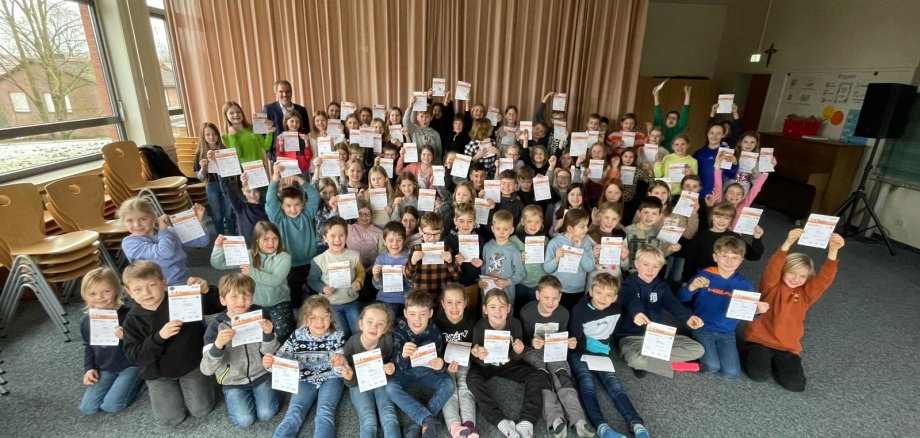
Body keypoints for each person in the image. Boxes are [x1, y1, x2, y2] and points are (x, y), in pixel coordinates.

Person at [744, 228, 844, 392]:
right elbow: (772, 268)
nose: (796, 279)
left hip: (787, 347)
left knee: (796, 385)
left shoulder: (806, 294)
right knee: (758, 375)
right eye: (792, 273)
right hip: (760, 340)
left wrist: (833, 251)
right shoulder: (771, 286)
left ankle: (778, 362)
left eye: (803, 276)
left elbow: (824, 280)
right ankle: (753, 354)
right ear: (784, 270)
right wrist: (787, 243)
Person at [121, 261, 219, 425]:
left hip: (191, 364)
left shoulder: (181, 298)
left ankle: (202, 382)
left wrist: (207, 290)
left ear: (163, 281)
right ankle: (153, 388)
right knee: (170, 419)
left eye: (152, 285)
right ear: (129, 292)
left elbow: (218, 305)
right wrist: (159, 337)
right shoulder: (131, 321)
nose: (146, 292)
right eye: (137, 289)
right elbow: (135, 356)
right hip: (159, 373)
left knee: (201, 410)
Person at [568, 272, 649, 438]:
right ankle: (602, 427)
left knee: (615, 385)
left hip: (602, 351)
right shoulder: (579, 309)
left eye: (608, 295)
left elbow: (617, 327)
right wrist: (596, 346)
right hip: (579, 351)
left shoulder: (617, 309)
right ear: (590, 291)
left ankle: (637, 424)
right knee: (587, 384)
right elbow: (576, 337)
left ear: (615, 297)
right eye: (598, 292)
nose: (602, 298)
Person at [678, 236, 767, 379]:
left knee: (731, 373)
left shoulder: (744, 284)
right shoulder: (705, 275)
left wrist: (757, 310)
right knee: (712, 366)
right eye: (724, 256)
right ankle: (689, 345)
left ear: (741, 260)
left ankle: (703, 350)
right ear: (715, 257)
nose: (729, 261)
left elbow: (747, 313)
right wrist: (692, 287)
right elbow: (681, 298)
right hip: (702, 327)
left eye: (734, 258)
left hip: (727, 332)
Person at [468, 289, 552, 438]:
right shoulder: (479, 327)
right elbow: (476, 358)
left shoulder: (514, 324)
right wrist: (478, 353)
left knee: (539, 375)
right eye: (493, 307)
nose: (498, 311)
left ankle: (526, 422)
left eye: (502, 307)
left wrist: (519, 350)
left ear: (508, 308)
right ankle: (500, 421)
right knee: (472, 379)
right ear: (485, 309)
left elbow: (516, 356)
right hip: (486, 366)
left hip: (508, 363)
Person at [200, 274, 279, 428]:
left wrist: (268, 334)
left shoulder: (261, 315)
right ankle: (234, 395)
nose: (242, 301)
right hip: (233, 381)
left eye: (247, 295)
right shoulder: (215, 327)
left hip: (261, 374)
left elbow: (270, 352)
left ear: (252, 296)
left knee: (267, 414)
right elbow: (206, 369)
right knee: (244, 421)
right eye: (234, 296)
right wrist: (218, 345)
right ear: (223, 300)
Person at [519, 275, 593, 438]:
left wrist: (570, 343)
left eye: (555, 298)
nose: (550, 302)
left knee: (561, 374)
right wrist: (532, 341)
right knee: (542, 376)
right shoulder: (526, 312)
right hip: (534, 350)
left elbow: (563, 336)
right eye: (546, 297)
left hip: (554, 350)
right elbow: (522, 338)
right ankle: (556, 419)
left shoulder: (563, 313)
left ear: (560, 297)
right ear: (538, 295)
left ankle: (578, 419)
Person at [614, 246, 705, 378]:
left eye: (655, 266)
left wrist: (688, 317)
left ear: (660, 267)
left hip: (657, 336)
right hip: (630, 337)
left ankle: (648, 362)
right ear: (636, 264)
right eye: (646, 264)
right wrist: (637, 313)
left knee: (698, 349)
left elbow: (672, 303)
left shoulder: (662, 286)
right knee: (635, 359)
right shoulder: (628, 284)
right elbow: (631, 299)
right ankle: (681, 365)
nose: (650, 269)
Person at [264, 295, 347, 438]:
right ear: (305, 319)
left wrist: (341, 362)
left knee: (325, 412)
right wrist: (270, 364)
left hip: (331, 376)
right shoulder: (297, 335)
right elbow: (281, 358)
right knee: (294, 412)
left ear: (331, 317)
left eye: (324, 316)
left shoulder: (338, 335)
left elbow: (341, 369)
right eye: (313, 317)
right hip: (304, 377)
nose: (320, 322)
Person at [211, 220, 294, 343]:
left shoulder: (284, 257)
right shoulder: (247, 255)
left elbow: (275, 280)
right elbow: (218, 264)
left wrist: (251, 272)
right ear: (256, 240)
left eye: (275, 238)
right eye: (265, 239)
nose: (271, 243)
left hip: (278, 302)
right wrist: (218, 248)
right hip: (252, 303)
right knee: (252, 334)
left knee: (282, 332)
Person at [78, 267, 145, 415]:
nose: (100, 297)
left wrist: (126, 336)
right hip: (106, 367)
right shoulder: (86, 320)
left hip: (131, 365)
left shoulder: (130, 315)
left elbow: (143, 341)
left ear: (116, 289)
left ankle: (143, 381)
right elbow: (88, 346)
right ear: (85, 295)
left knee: (112, 406)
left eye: (106, 291)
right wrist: (89, 368)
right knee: (87, 408)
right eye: (93, 293)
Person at [387, 291, 454, 438]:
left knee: (449, 384)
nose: (417, 319)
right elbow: (395, 365)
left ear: (430, 313)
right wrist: (403, 355)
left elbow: (440, 357)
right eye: (412, 314)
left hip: (426, 369)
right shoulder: (398, 329)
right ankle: (427, 419)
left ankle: (418, 424)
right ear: (405, 313)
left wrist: (441, 364)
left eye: (422, 314)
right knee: (389, 387)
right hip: (405, 370)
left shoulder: (434, 330)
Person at [340, 303, 402, 438]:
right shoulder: (351, 343)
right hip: (358, 383)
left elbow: (394, 359)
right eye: (369, 322)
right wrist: (349, 376)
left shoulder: (387, 340)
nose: (374, 327)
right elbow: (349, 382)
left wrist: (392, 365)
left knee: (389, 416)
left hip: (381, 378)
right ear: (361, 324)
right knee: (368, 419)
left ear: (386, 328)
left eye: (380, 324)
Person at [119, 197, 210, 286]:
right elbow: (165, 252)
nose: (136, 224)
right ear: (123, 222)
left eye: (143, 219)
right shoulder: (129, 243)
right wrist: (163, 229)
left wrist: (197, 223)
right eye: (129, 221)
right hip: (156, 288)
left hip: (184, 279)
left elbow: (201, 242)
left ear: (153, 217)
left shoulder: (168, 231)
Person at [266, 163, 321, 308]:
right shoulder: (279, 219)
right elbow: (270, 202)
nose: (293, 209)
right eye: (288, 205)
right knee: (294, 295)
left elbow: (314, 195)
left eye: (297, 204)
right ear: (282, 206)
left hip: (310, 261)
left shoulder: (307, 214)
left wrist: (298, 179)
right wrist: (275, 178)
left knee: (314, 292)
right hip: (290, 264)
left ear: (303, 204)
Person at [434, 283, 481, 438]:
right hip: (444, 362)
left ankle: (469, 425)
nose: (454, 307)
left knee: (465, 386)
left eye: (459, 302)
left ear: (465, 302)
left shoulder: (472, 319)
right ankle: (455, 427)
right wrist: (442, 363)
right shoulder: (435, 321)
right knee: (449, 388)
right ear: (442, 304)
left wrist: (475, 351)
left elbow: (476, 346)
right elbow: (433, 349)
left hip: (464, 359)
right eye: (449, 302)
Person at [307, 216, 364, 339]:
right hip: (330, 304)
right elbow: (312, 280)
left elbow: (361, 272)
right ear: (325, 238)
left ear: (346, 236)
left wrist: (359, 281)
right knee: (341, 333)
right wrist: (322, 288)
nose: (337, 239)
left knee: (358, 331)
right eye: (332, 236)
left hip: (351, 301)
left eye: (341, 235)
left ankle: (357, 353)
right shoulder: (319, 260)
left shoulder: (354, 255)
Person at [681, 202, 764, 283]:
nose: (722, 221)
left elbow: (754, 256)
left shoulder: (735, 237)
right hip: (702, 279)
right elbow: (690, 260)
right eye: (718, 216)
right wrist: (686, 279)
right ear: (712, 217)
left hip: (724, 280)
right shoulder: (700, 236)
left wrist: (757, 238)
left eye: (726, 218)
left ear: (731, 220)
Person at [544, 209, 596, 309]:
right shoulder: (554, 243)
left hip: (578, 290)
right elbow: (547, 268)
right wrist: (556, 259)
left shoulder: (586, 242)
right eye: (582, 226)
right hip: (557, 290)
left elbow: (589, 267)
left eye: (586, 226)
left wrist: (579, 248)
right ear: (570, 228)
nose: (586, 229)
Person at [195, 121, 237, 235]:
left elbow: (233, 172)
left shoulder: (225, 149)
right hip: (212, 185)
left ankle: (234, 237)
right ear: (203, 136)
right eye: (208, 134)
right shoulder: (200, 153)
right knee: (217, 214)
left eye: (214, 134)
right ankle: (221, 237)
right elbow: (200, 177)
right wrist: (203, 169)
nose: (212, 137)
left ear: (218, 134)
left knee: (229, 213)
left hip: (226, 184)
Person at [405, 212, 460, 297]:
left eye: (437, 234)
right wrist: (412, 262)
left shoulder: (447, 249)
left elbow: (457, 276)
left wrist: (450, 262)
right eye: (427, 234)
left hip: (442, 296)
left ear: (442, 231)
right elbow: (408, 275)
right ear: (420, 231)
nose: (432, 238)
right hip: (421, 297)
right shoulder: (415, 249)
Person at [480, 210, 526, 305]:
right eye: (498, 228)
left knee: (507, 318)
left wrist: (508, 282)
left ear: (512, 230)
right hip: (488, 295)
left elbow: (521, 273)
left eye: (505, 229)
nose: (501, 232)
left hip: (507, 295)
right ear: (492, 229)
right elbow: (483, 268)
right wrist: (480, 282)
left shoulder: (514, 250)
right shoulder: (487, 246)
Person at [446, 203, 487, 308]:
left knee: (471, 309)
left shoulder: (479, 239)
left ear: (474, 222)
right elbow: (445, 263)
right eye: (461, 221)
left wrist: (481, 263)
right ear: (455, 221)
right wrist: (455, 263)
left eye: (470, 221)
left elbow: (483, 259)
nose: (466, 225)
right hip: (454, 285)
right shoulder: (449, 239)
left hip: (472, 284)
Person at [263, 79, 310, 159]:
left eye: (287, 91)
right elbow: (263, 134)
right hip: (278, 156)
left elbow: (307, 131)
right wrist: (270, 154)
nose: (284, 94)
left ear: (291, 93)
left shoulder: (302, 110)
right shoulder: (268, 109)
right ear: (276, 93)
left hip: (299, 155)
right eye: (281, 92)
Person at [372, 221, 412, 315]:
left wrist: (408, 275)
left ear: (404, 240)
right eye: (390, 240)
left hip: (401, 299)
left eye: (399, 240)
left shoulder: (409, 258)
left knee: (390, 314)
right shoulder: (380, 259)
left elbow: (412, 286)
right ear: (384, 242)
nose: (395, 244)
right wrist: (376, 276)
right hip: (382, 298)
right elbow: (378, 286)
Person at [221, 172, 268, 245]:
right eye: (248, 191)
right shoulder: (240, 207)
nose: (252, 195)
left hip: (264, 244)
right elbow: (227, 189)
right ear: (243, 191)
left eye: (256, 191)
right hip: (247, 247)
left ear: (260, 191)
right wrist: (221, 171)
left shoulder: (267, 207)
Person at [651, 84, 691, 151]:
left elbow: (684, 114)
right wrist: (656, 96)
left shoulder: (678, 129)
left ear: (678, 122)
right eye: (669, 117)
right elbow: (657, 114)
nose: (671, 119)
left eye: (674, 118)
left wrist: (687, 94)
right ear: (666, 119)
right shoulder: (661, 127)